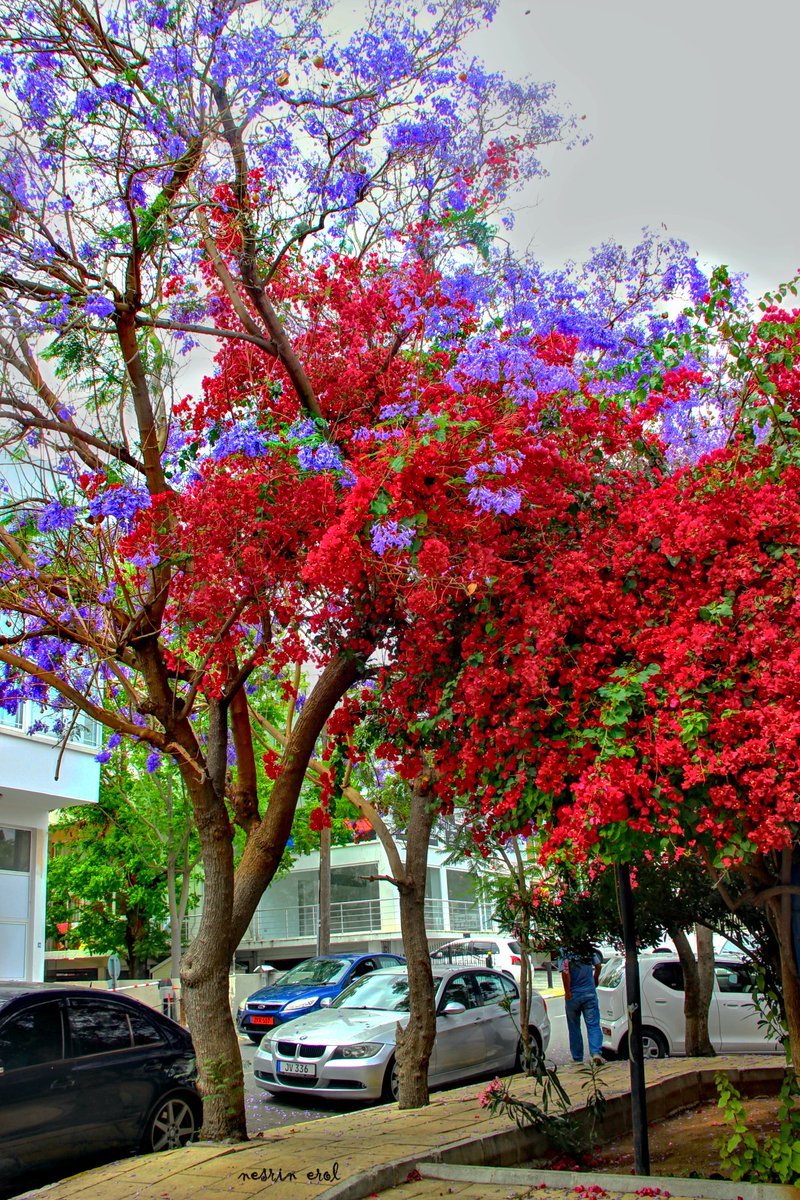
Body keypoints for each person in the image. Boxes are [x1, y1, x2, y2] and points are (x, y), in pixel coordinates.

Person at [558, 945, 603, 1064]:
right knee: (593, 1024)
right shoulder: (587, 948)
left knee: (574, 1028)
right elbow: (598, 966)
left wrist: (567, 991)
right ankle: (596, 1052)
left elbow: (565, 972)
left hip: (573, 995)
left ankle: (577, 1057)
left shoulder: (565, 951)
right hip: (589, 993)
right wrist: (595, 979)